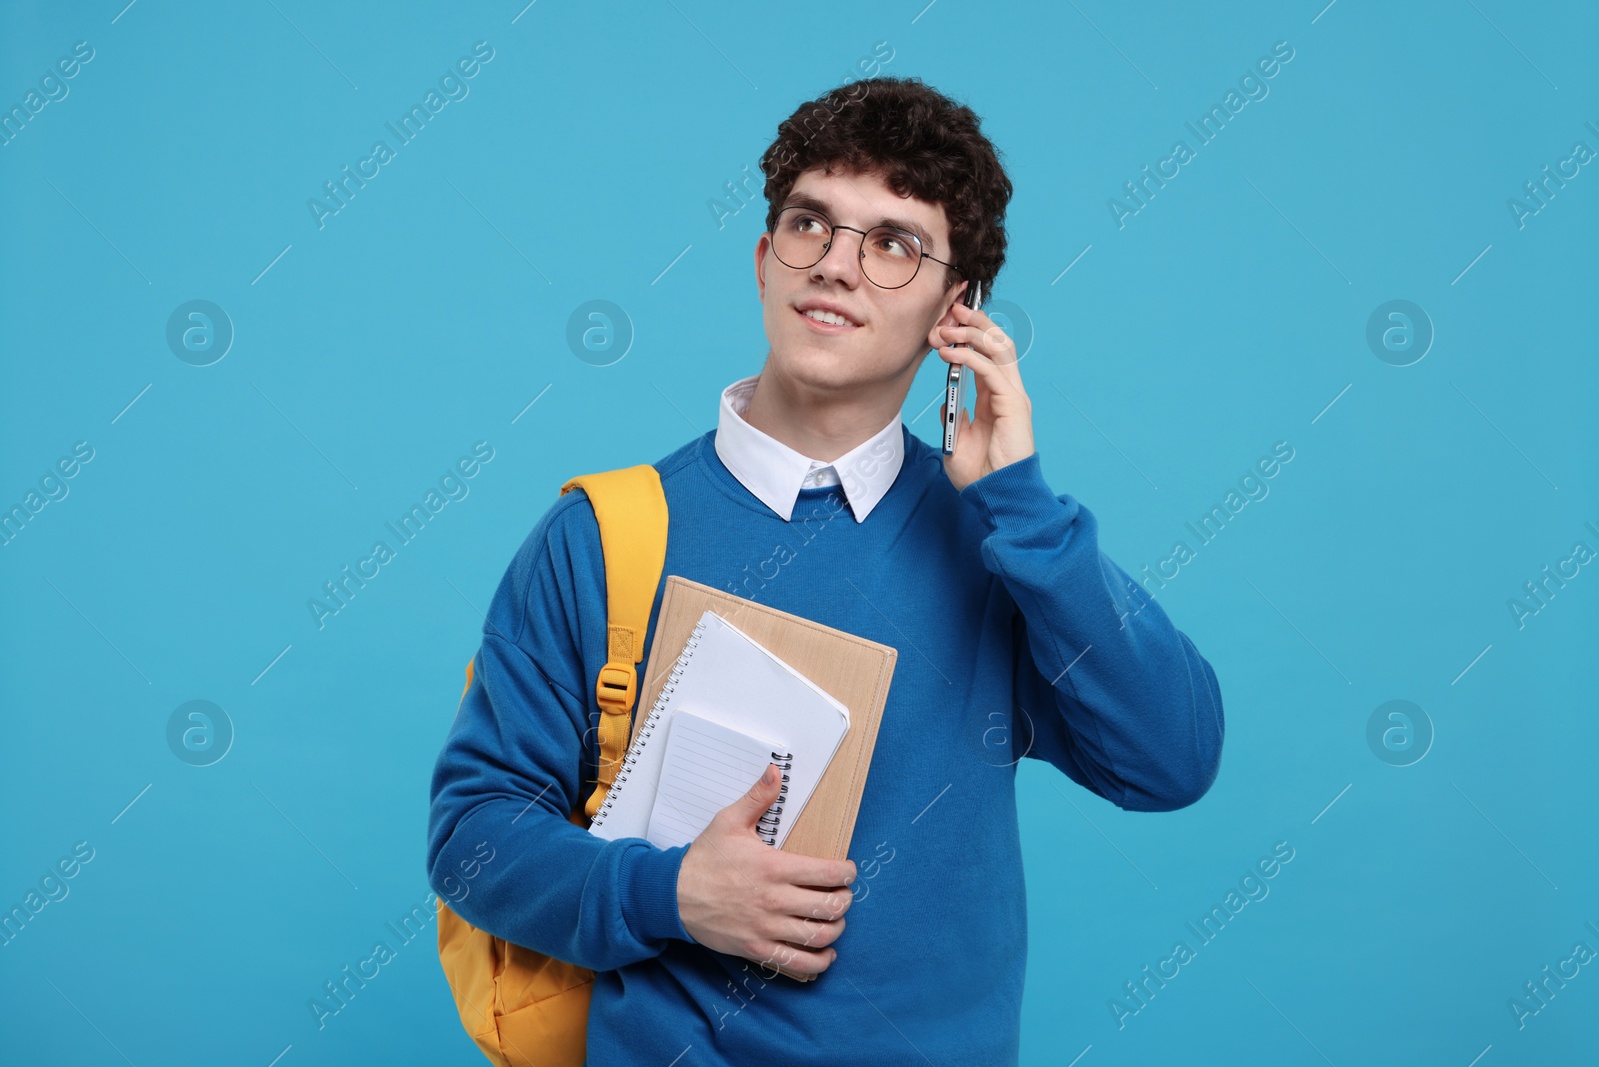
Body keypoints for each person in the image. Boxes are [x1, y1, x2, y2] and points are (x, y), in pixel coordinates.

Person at [428, 75, 1224, 1064]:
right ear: (765, 261)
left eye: (894, 243)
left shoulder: (1001, 547)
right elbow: (472, 834)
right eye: (810, 224)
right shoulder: (601, 535)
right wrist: (665, 890)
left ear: (956, 309)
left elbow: (1172, 758)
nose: (838, 267)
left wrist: (1021, 505)